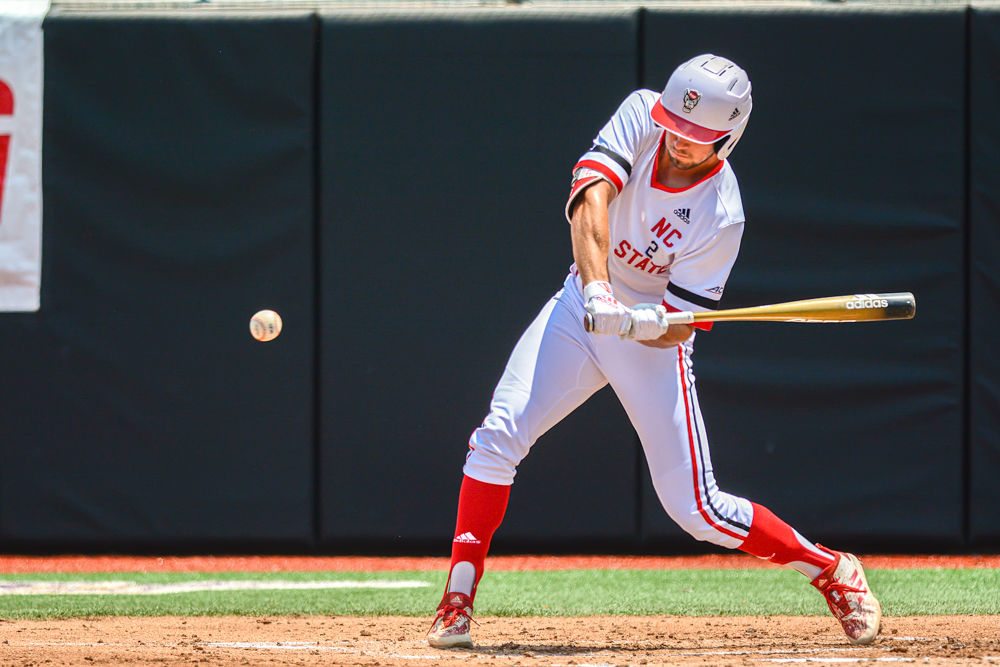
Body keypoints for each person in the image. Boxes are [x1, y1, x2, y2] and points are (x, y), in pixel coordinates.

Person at [426, 54, 881, 649]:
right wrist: (597, 289)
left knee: (696, 510)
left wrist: (646, 324)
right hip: (580, 306)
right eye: (676, 124)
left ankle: (830, 568)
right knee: (497, 437)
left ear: (729, 135)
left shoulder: (723, 215)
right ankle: (457, 597)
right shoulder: (642, 113)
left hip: (650, 335)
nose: (679, 140)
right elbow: (592, 199)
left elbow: (680, 325)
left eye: (697, 136)